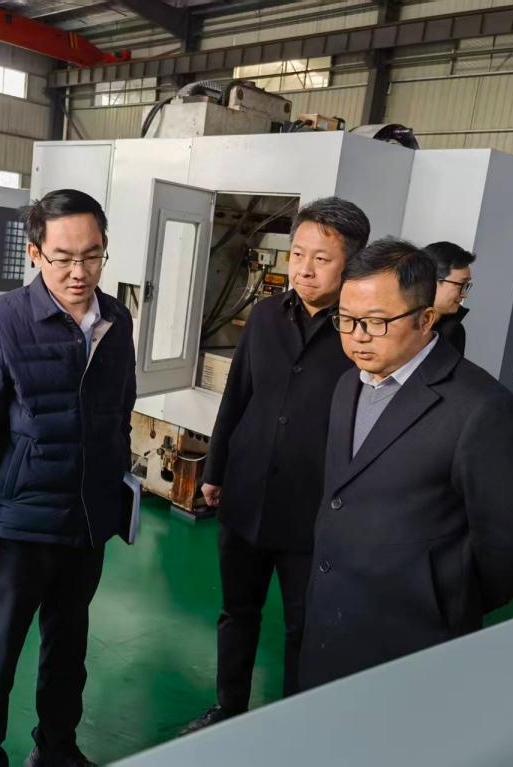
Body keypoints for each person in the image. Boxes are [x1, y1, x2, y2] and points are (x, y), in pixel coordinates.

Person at [299, 238, 513, 690]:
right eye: (347, 320)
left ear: (426, 318)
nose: (357, 336)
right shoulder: (348, 385)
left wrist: (442, 599)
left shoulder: (482, 410)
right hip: (330, 618)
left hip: (412, 638)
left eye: (376, 322)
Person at [0, 189, 136, 767]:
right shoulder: (0, 321)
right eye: (63, 258)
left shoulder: (116, 320)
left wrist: (113, 496)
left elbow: (120, 410)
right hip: (19, 526)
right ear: (35, 253)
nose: (79, 272)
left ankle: (57, 751)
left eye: (92, 256)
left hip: (85, 523)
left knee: (68, 651)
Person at [182, 198, 371, 734]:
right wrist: (215, 471)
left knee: (303, 626)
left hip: (313, 510)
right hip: (246, 495)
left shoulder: (360, 333)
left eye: (322, 259)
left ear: (351, 264)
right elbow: (237, 395)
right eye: (298, 254)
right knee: (236, 611)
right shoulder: (266, 316)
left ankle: (295, 724)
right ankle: (228, 709)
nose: (304, 269)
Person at [423, 240, 475, 354]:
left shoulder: (454, 332)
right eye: (461, 284)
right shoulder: (400, 322)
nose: (464, 294)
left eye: (466, 286)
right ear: (432, 281)